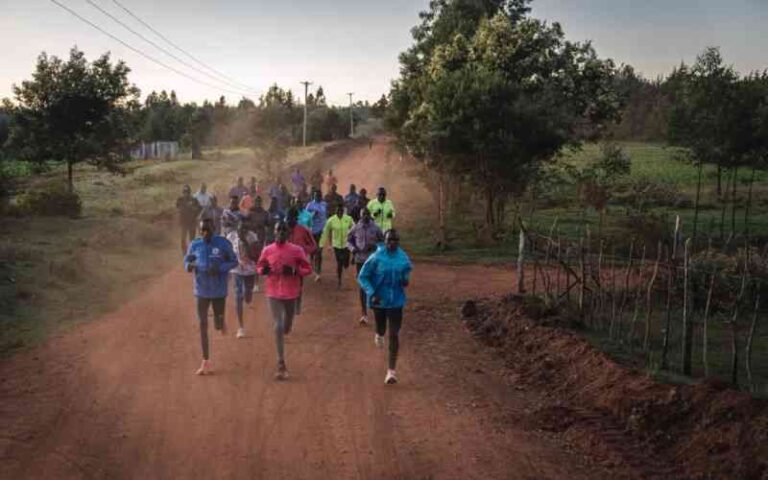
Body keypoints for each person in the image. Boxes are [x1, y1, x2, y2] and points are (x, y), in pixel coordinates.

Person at [256, 221, 312, 380]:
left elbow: (308, 269)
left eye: (283, 230)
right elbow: (259, 266)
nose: (280, 232)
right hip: (273, 292)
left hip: (291, 293)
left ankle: (287, 328)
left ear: (288, 234)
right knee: (278, 325)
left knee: (287, 325)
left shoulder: (296, 250)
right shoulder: (268, 250)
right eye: (278, 230)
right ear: (274, 232)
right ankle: (281, 362)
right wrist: (263, 270)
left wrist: (294, 271)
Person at [357, 229, 412, 384]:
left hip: (396, 301)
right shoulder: (376, 257)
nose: (392, 243)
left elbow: (406, 277)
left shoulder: (403, 258)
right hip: (379, 300)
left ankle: (391, 371)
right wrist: (371, 292)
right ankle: (379, 334)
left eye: (395, 240)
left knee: (394, 334)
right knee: (381, 328)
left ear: (398, 242)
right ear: (385, 241)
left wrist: (405, 280)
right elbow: (363, 277)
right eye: (389, 240)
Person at [184, 218, 238, 375]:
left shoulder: (223, 243)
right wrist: (189, 266)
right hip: (201, 290)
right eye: (203, 231)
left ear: (214, 229)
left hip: (218, 291)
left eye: (208, 231)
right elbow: (187, 260)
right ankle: (205, 360)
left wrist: (220, 268)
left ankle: (220, 321)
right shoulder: (195, 244)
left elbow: (234, 261)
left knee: (218, 325)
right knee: (202, 324)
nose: (205, 234)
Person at [347, 207, 384, 325]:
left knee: (374, 284)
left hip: (373, 260)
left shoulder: (376, 228)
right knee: (362, 286)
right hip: (360, 260)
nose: (365, 216)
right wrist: (353, 249)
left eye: (367, 214)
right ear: (360, 215)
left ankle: (376, 308)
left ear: (370, 215)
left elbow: (383, 242)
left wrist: (376, 247)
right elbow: (348, 240)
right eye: (363, 214)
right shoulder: (356, 228)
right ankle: (364, 313)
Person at [226, 220, 260, 338]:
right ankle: (241, 327)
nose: (242, 232)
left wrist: (245, 242)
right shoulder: (231, 236)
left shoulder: (252, 237)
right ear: (237, 228)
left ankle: (248, 295)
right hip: (236, 269)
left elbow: (255, 256)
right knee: (238, 296)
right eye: (240, 229)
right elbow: (227, 252)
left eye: (245, 230)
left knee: (247, 295)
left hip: (250, 270)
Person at [286, 207, 317, 315]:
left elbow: (313, 245)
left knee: (298, 285)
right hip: (285, 262)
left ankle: (297, 305)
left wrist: (303, 251)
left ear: (296, 218)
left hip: (299, 262)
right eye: (288, 218)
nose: (289, 220)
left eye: (292, 218)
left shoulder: (303, 230)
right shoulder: (282, 230)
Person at [320, 204, 354, 289]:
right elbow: (326, 232)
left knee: (346, 262)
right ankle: (339, 280)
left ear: (343, 211)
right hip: (336, 245)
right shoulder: (331, 220)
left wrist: (353, 240)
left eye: (341, 210)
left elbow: (354, 229)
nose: (339, 212)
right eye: (338, 210)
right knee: (339, 262)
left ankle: (345, 272)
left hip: (346, 244)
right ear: (335, 211)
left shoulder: (348, 219)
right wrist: (321, 244)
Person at [305, 189, 328, 282]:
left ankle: (318, 273)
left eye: (319, 195)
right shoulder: (310, 205)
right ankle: (312, 262)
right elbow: (306, 217)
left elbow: (326, 215)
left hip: (322, 231)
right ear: (313, 196)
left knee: (319, 252)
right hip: (312, 231)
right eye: (316, 195)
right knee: (313, 251)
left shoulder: (324, 204)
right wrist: (312, 214)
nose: (318, 196)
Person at [176, 184, 202, 254]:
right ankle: (184, 251)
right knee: (183, 238)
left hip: (192, 222)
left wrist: (193, 209)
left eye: (187, 192)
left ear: (189, 192)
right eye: (184, 192)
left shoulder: (194, 200)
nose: (186, 194)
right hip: (184, 222)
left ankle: (192, 250)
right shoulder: (180, 199)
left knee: (192, 238)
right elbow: (177, 207)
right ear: (183, 192)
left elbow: (199, 208)